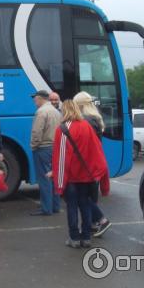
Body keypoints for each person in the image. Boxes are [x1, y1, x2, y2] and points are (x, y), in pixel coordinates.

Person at [50, 100, 110, 248]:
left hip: (71, 176)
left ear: (64, 111)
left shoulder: (62, 129)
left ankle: (74, 238)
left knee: (71, 206)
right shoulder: (86, 126)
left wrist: (59, 179)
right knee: (85, 204)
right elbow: (96, 151)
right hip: (87, 175)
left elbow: (61, 157)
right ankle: (86, 237)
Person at [73, 91, 112, 237]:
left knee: (83, 197)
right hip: (94, 162)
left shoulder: (85, 120)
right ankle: (93, 225)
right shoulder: (96, 118)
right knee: (90, 196)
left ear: (80, 105)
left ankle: (99, 221)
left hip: (87, 164)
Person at [30, 90, 62, 216]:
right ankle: (56, 206)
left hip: (43, 148)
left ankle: (46, 209)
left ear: (40, 98)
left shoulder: (41, 112)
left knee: (44, 179)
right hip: (55, 147)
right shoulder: (56, 111)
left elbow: (37, 132)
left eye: (35, 98)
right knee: (53, 178)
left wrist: (33, 146)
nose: (34, 101)